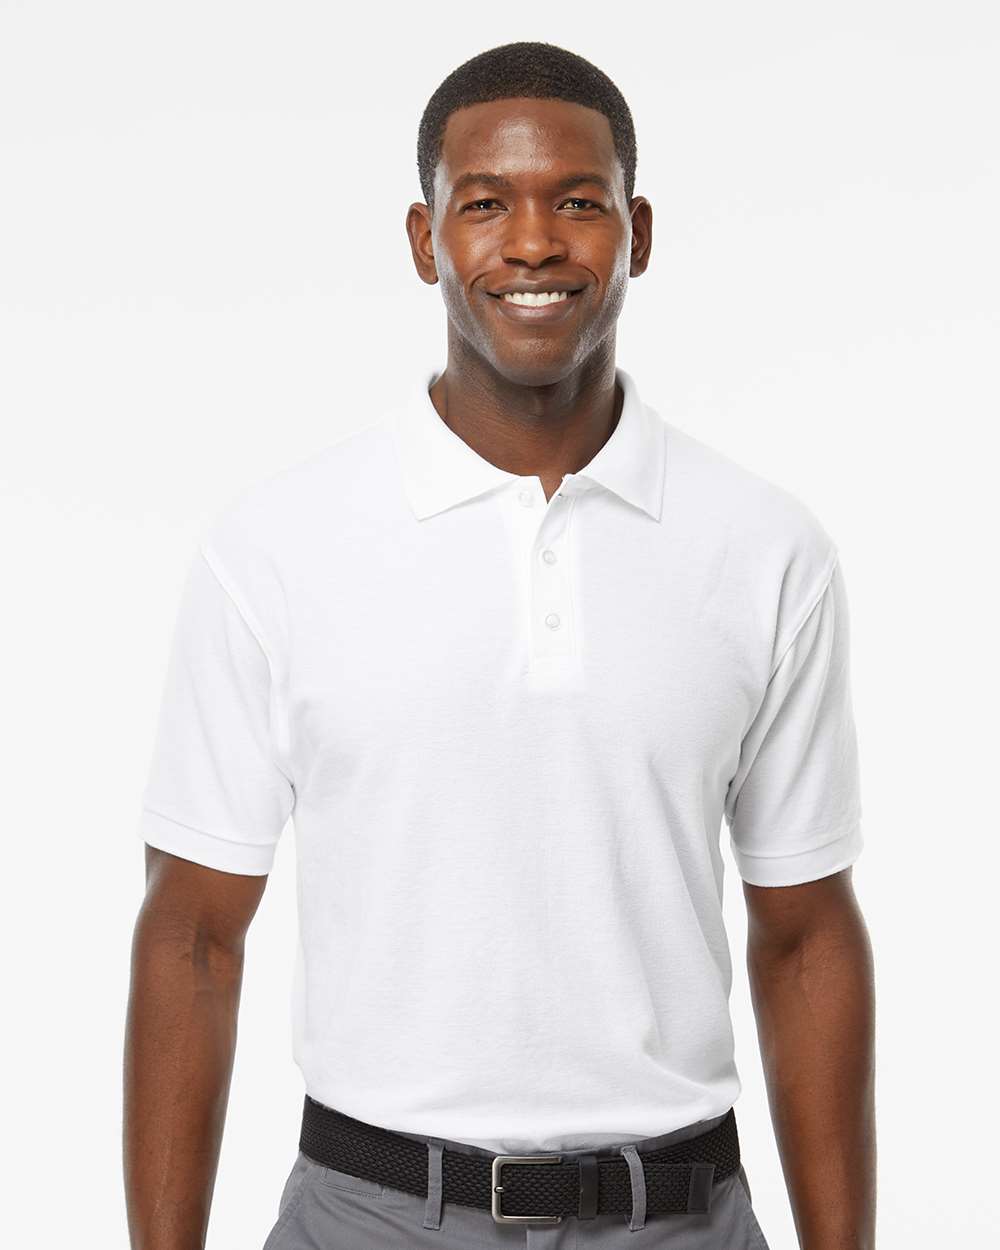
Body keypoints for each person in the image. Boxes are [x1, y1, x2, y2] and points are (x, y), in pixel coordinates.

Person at [124, 39, 876, 1250]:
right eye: (484, 205)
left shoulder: (763, 548)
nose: (532, 243)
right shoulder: (277, 546)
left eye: (576, 202)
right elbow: (193, 937)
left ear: (636, 231)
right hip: (370, 1216)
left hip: (677, 1216)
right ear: (425, 240)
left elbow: (804, 937)